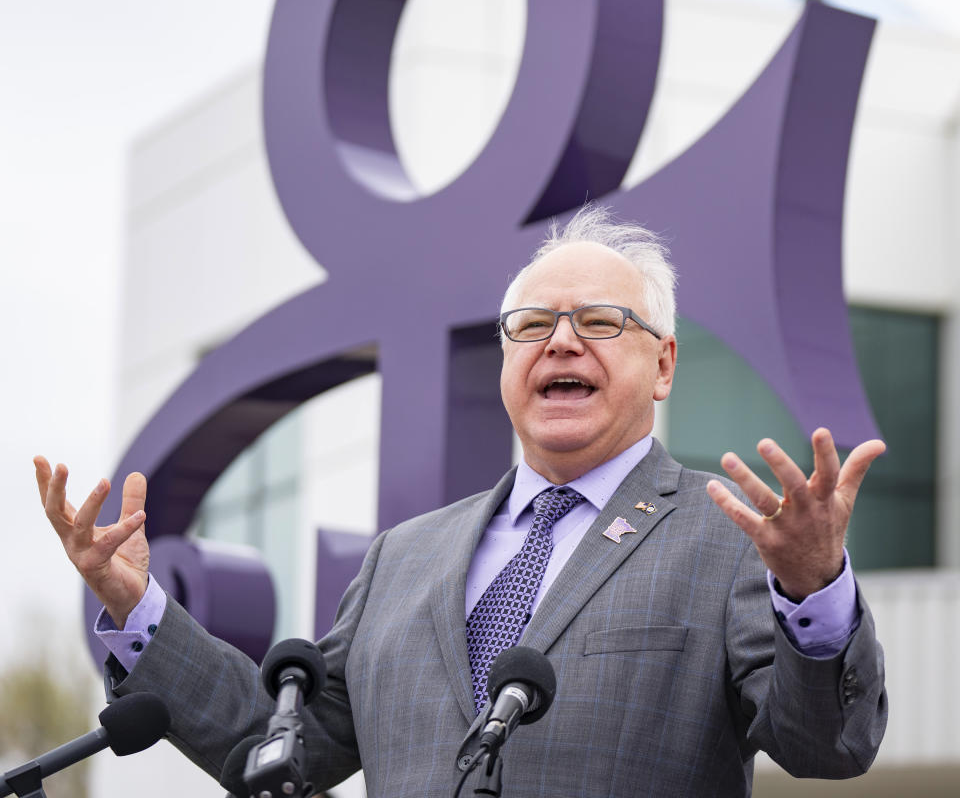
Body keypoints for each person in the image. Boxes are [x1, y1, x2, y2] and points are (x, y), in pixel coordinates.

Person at [35, 206, 886, 797]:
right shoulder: (403, 557)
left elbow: (829, 747)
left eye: (597, 322)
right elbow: (278, 743)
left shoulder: (729, 534)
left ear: (662, 364)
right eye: (532, 325)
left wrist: (813, 591)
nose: (560, 340)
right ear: (507, 360)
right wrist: (134, 604)